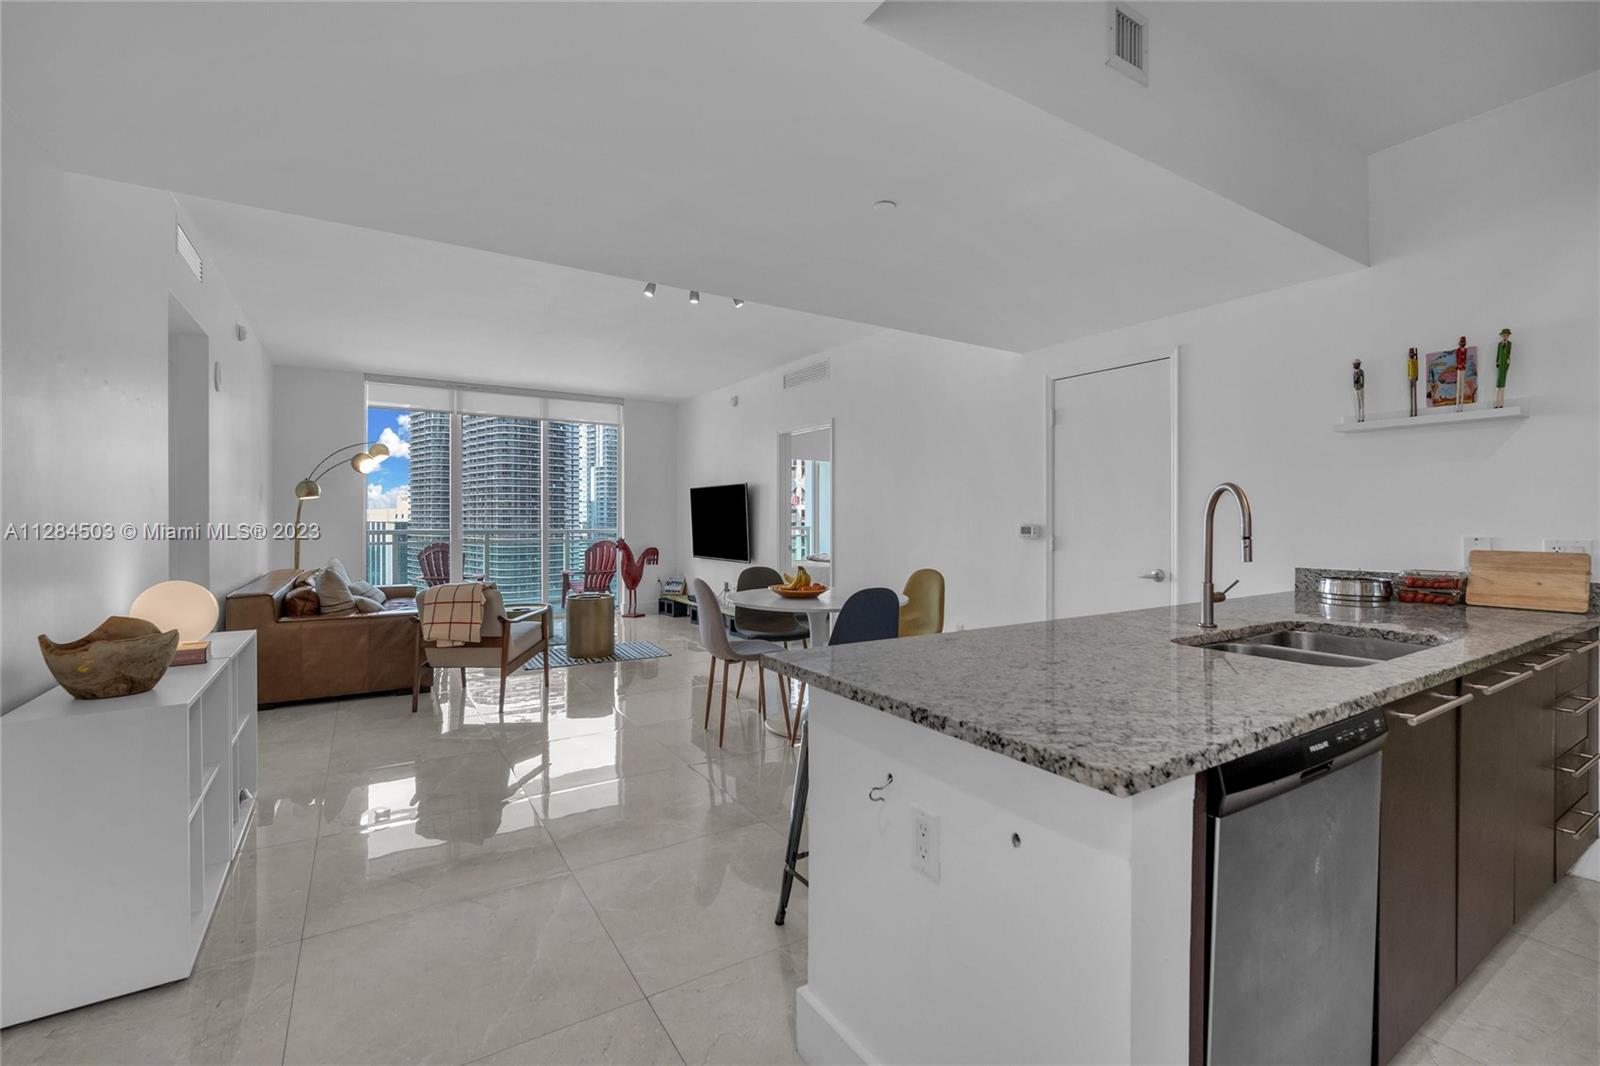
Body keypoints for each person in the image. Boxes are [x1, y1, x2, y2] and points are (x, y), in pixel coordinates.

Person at [1494, 328, 1512, 408]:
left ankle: (1501, 403)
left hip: (1505, 364)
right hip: (1500, 364)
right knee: (1498, 383)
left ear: (1508, 336)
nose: (1505, 336)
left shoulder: (1509, 344)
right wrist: (1497, 361)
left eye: (1506, 335)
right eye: (1504, 335)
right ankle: (1496, 403)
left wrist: (1508, 361)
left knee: (1503, 383)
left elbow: (1509, 353)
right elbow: (1498, 353)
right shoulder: (1499, 344)